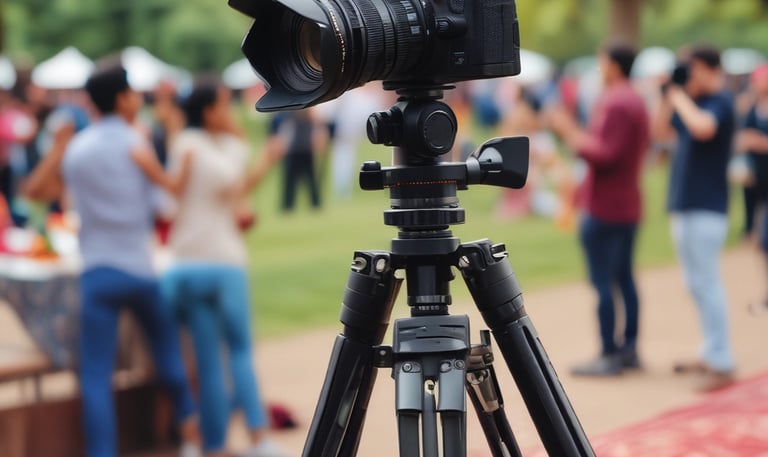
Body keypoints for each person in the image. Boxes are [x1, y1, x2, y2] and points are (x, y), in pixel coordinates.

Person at [29, 61, 203, 457]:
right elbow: (165, 204)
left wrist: (58, 148)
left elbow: (40, 192)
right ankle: (190, 441)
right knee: (168, 356)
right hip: (140, 268)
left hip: (97, 271)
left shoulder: (78, 148)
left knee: (95, 375)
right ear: (122, 98)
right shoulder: (136, 142)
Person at [161, 78, 285, 457]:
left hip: (187, 262)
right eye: (223, 104)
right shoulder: (206, 147)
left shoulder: (185, 143)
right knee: (240, 353)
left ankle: (213, 445)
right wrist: (264, 160)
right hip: (223, 262)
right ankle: (258, 438)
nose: (230, 111)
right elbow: (235, 185)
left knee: (210, 360)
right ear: (210, 110)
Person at [547, 43, 650, 376]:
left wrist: (568, 131)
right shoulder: (634, 99)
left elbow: (604, 155)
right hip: (626, 202)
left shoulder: (617, 101)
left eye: (602, 62)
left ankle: (609, 352)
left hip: (605, 205)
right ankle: (629, 348)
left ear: (615, 66)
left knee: (603, 281)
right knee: (624, 279)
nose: (599, 68)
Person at [653, 44, 736, 391]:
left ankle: (722, 359)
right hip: (687, 204)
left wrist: (678, 95)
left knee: (707, 283)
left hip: (708, 206)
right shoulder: (690, 101)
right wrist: (666, 96)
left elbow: (703, 129)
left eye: (691, 69)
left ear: (706, 68)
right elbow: (659, 133)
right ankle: (711, 349)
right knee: (695, 284)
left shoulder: (721, 101)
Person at [737, 64, 768, 312]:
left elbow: (750, 139)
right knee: (761, 240)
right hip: (756, 180)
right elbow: (741, 139)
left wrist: (755, 142)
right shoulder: (752, 110)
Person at [278, 107, 327, 211]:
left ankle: (315, 204)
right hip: (294, 150)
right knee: (290, 182)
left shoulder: (310, 114)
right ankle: (288, 205)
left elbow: (318, 127)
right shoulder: (290, 114)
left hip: (306, 149)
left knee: (311, 180)